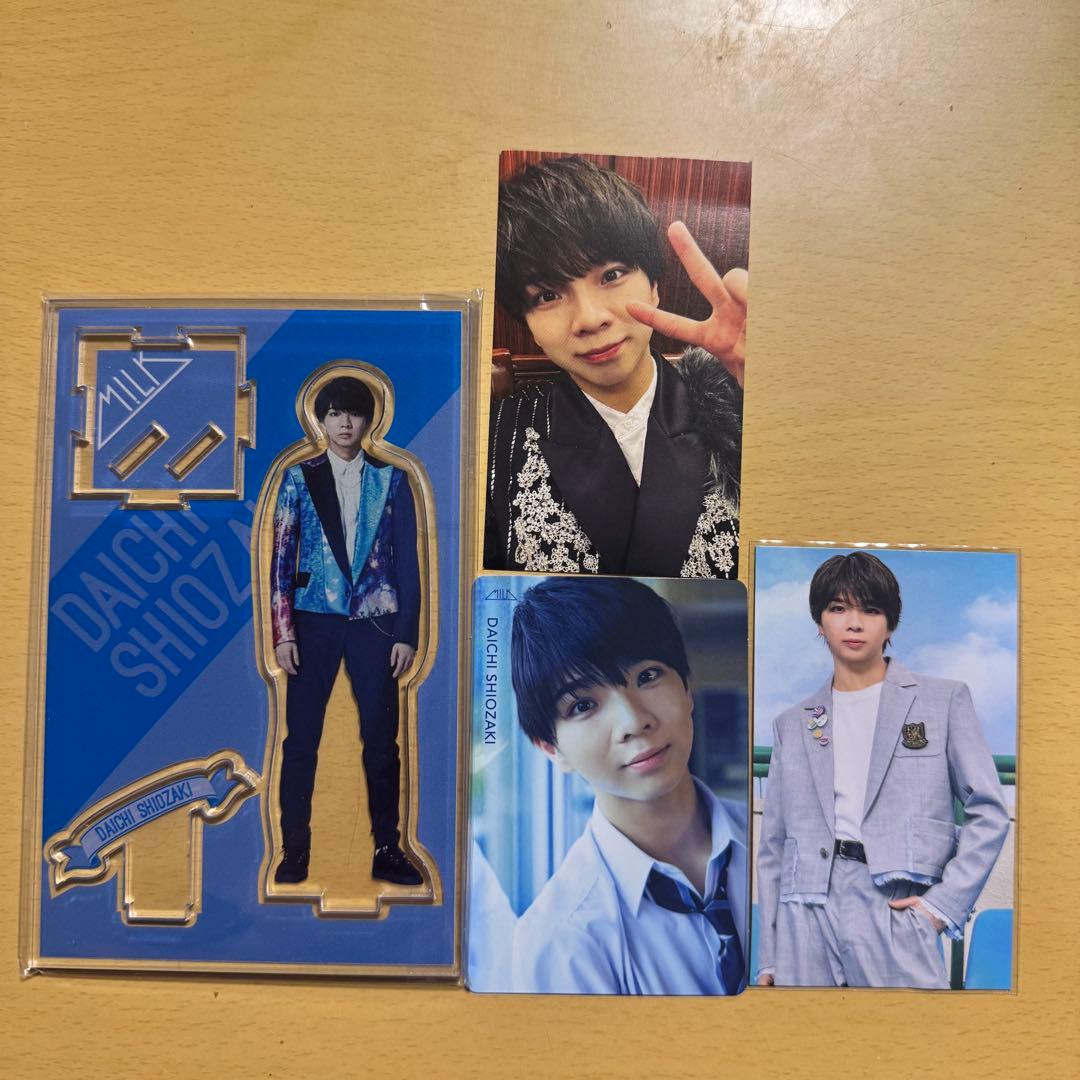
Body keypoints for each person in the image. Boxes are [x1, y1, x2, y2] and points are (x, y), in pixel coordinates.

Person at [485, 155, 747, 579]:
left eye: (612, 275)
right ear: (527, 324)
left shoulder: (739, 403)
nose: (589, 319)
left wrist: (777, 389)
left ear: (655, 286)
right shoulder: (491, 439)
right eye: (548, 296)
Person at [755, 552, 1009, 988]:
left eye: (870, 610)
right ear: (820, 622)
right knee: (808, 1031)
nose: (854, 624)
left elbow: (989, 810)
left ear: (890, 625)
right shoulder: (792, 723)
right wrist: (770, 959)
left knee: (905, 1030)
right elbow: (773, 845)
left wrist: (939, 908)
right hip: (804, 910)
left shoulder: (942, 701)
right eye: (838, 608)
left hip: (892, 904)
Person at [509, 577, 748, 994]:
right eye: (583, 705)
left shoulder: (788, 841)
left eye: (647, 676)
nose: (634, 721)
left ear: (687, 687)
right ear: (551, 748)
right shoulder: (561, 941)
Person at [269, 374, 423, 887]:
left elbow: (408, 563)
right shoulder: (297, 478)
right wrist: (283, 632)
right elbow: (281, 560)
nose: (344, 424)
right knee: (300, 741)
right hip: (312, 622)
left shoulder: (393, 479)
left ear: (368, 420)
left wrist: (406, 632)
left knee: (382, 741)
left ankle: (387, 848)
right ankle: (294, 851)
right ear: (321, 419)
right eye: (334, 413)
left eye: (353, 413)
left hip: (376, 623)